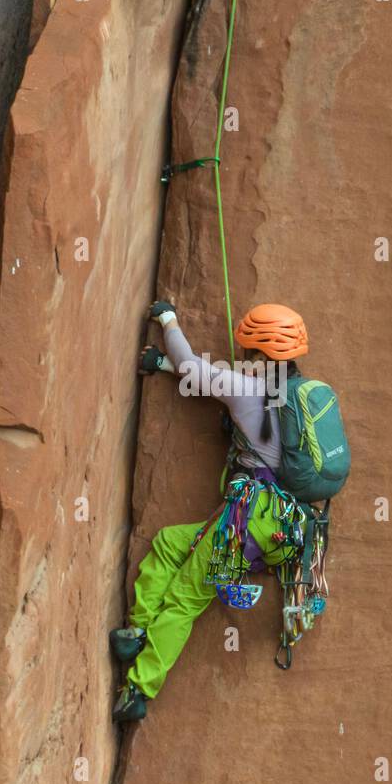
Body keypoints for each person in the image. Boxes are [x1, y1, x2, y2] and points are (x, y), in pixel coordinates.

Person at [110, 301, 310, 722]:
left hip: (246, 522)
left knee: (185, 598)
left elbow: (191, 368)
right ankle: (139, 630)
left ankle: (138, 690)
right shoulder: (292, 395)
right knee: (169, 542)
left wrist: (168, 319)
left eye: (249, 352)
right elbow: (201, 381)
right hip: (267, 520)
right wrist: (162, 364)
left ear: (261, 355)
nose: (242, 359)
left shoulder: (248, 389)